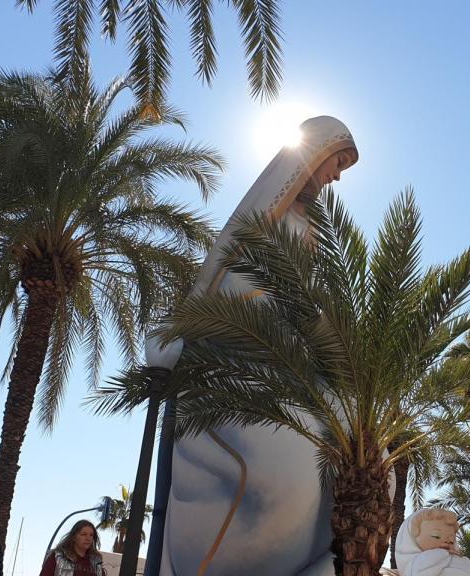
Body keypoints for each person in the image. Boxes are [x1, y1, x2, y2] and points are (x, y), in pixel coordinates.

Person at [163, 116, 359, 576]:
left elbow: (311, 296)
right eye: (336, 162)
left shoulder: (311, 226)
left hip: (299, 362)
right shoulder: (263, 220)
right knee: (284, 469)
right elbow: (232, 285)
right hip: (247, 359)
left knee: (359, 444)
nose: (335, 176)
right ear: (313, 152)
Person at [393, 508, 470, 576]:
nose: (447, 542)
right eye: (436, 536)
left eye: (451, 541)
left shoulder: (462, 561)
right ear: (411, 538)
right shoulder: (417, 566)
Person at [40, 520, 105, 576]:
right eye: (83, 534)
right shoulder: (58, 556)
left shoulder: (96, 562)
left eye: (91, 535)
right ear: (74, 537)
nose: (88, 538)